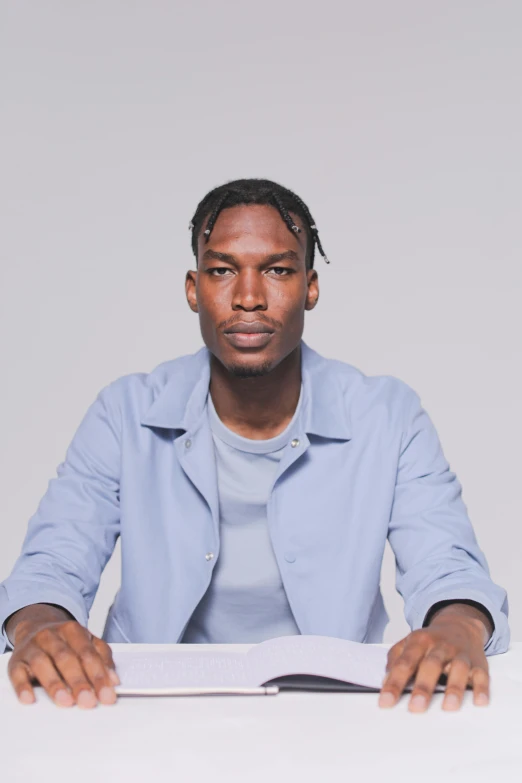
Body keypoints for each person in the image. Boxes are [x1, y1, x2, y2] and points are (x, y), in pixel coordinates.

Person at [0, 178, 509, 714]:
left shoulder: (386, 415)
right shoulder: (125, 412)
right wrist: (42, 625)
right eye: (222, 271)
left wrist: (457, 627)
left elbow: (446, 563)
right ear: (193, 288)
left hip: (341, 711)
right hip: (141, 707)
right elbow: (52, 562)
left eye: (277, 270)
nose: (248, 297)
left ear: (310, 287)